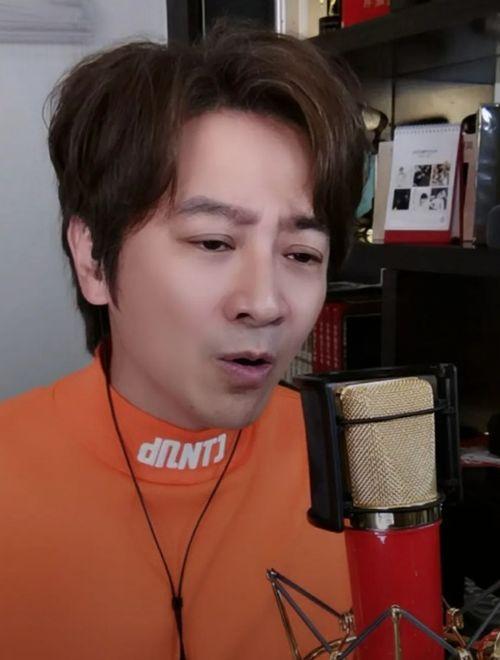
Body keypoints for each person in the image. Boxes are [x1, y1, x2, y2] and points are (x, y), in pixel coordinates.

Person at [0, 21, 366, 660]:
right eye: (213, 243)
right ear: (93, 259)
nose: (265, 302)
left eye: (302, 254)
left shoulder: (357, 462)